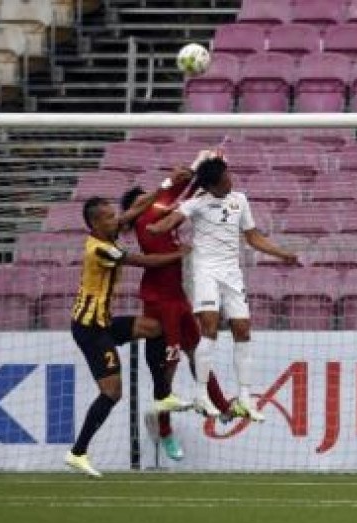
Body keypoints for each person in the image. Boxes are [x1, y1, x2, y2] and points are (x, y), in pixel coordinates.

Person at [146, 154, 298, 422]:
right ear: (213, 185)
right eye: (226, 177)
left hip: (232, 274)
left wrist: (281, 254)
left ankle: (244, 398)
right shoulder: (196, 204)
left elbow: (253, 237)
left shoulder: (240, 200)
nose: (231, 179)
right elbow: (167, 222)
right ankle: (201, 394)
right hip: (205, 272)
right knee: (210, 327)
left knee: (242, 329)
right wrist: (154, 227)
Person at [66, 195, 190, 477]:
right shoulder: (100, 250)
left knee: (154, 328)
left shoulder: (105, 231)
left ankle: (162, 395)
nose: (117, 220)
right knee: (112, 392)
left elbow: (134, 210)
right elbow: (143, 261)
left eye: (114, 215)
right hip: (90, 330)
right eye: (110, 217)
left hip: (103, 322)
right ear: (96, 223)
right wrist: (180, 254)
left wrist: (163, 188)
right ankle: (78, 453)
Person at [119, 150, 231, 460]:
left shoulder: (158, 214)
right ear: (132, 210)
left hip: (178, 297)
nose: (150, 200)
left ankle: (222, 405)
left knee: (199, 354)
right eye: (143, 199)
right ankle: (165, 431)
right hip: (158, 304)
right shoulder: (145, 221)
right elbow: (172, 196)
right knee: (167, 370)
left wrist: (206, 168)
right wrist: (196, 165)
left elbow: (184, 196)